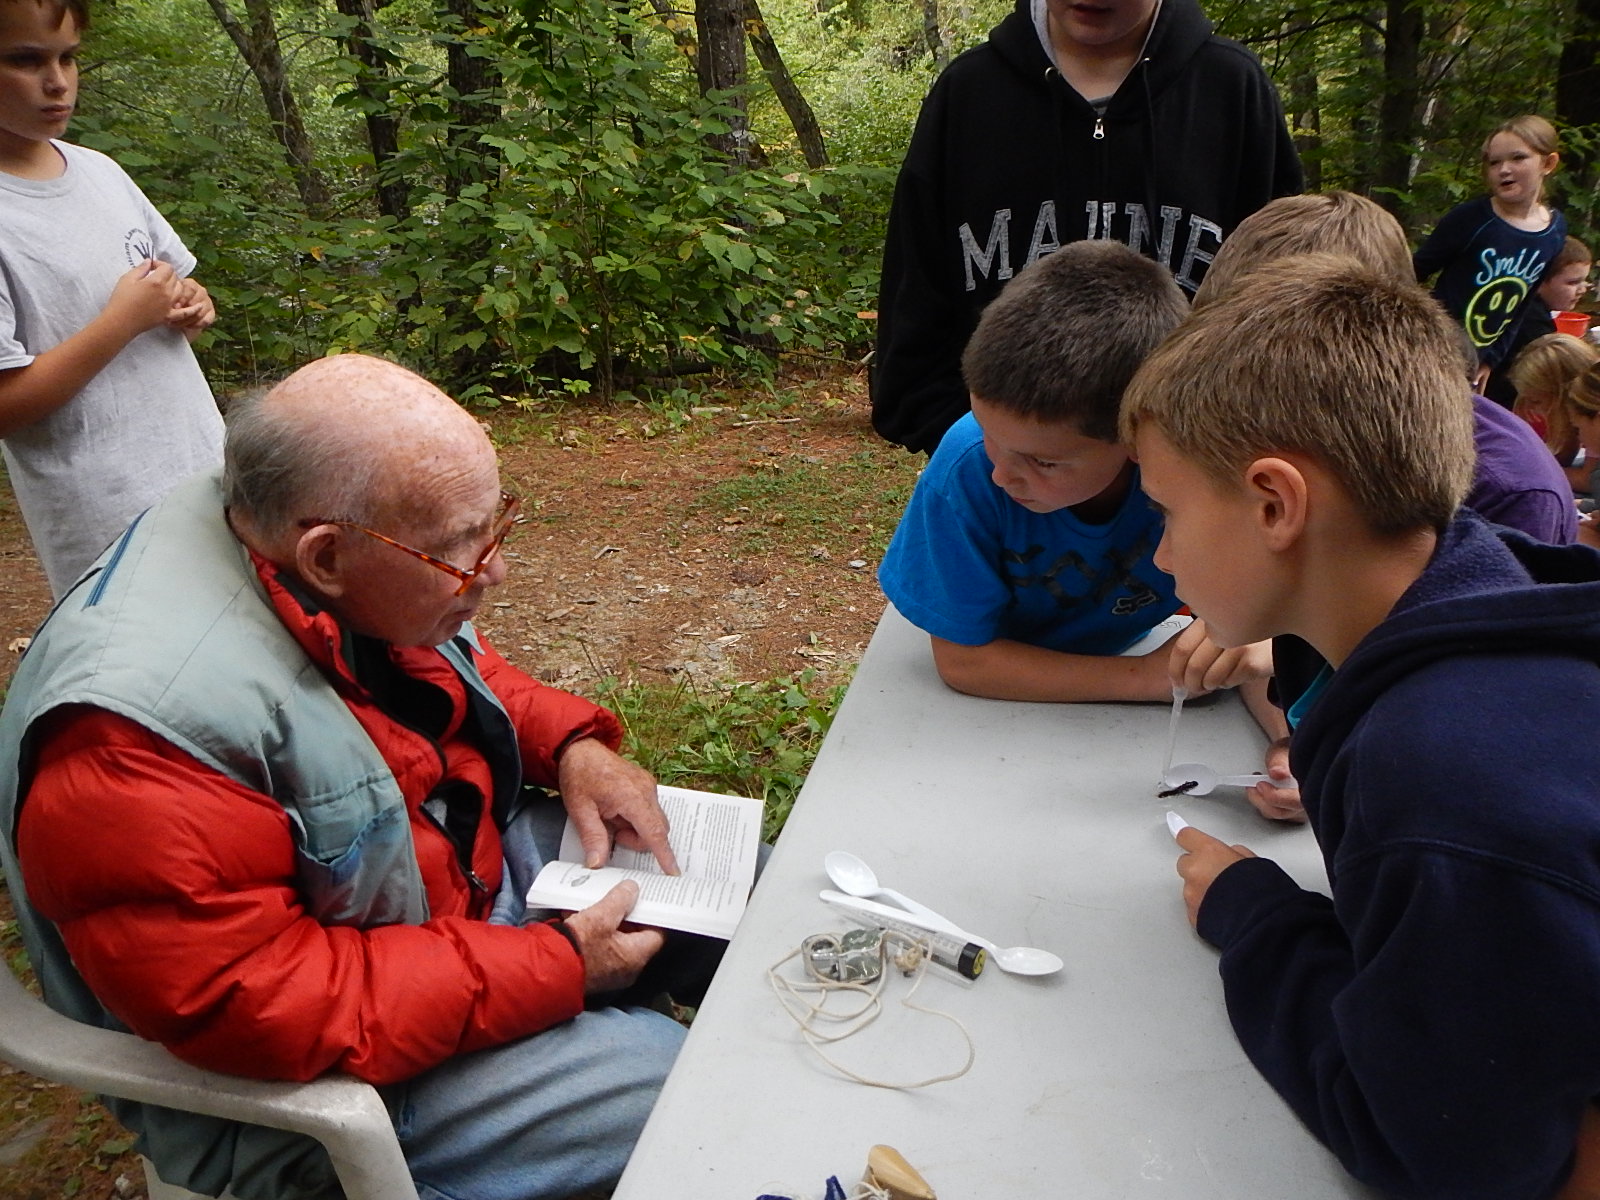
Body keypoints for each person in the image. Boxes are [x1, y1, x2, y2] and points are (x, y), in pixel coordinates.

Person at [0, 354, 713, 1200]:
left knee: (741, 888)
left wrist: (573, 749)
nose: (493, 573)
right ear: (326, 555)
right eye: (460, 552)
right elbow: (253, 1004)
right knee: (683, 1100)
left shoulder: (306, 549)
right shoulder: (135, 738)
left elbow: (450, 665)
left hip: (435, 899)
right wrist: (558, 967)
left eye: (497, 529)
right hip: (306, 1087)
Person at [1122, 253, 1600, 1199]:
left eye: (1169, 512)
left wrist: (1259, 920)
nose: (1161, 550)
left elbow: (1446, 1161)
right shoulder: (1472, 590)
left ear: (1274, 504)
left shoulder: (1446, 781)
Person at [869, 0, 1303, 455]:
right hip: (1000, 476)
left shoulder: (1231, 89)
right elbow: (915, 302)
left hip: (1192, 479)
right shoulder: (969, 93)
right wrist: (991, 451)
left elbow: (1276, 313)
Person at [877, 239, 1271, 713]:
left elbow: (1258, 638)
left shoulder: (1200, 478)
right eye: (989, 433)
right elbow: (965, 661)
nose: (1002, 474)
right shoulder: (968, 468)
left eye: (1043, 462)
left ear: (1137, 439)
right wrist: (1143, 678)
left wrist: (1290, 745)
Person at [1198, 190, 1579, 547]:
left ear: (1387, 332)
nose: (1258, 389)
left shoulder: (1508, 490)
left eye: (1275, 366)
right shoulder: (1289, 433)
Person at [0, 0, 223, 598]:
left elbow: (171, 289)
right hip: (104, 515)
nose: (57, 81)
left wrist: (190, 305)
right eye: (24, 59)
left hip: (207, 472)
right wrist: (121, 323)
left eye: (69, 56)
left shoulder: (100, 172)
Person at [1413, 114, 1568, 392]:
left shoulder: (1554, 230)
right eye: (1494, 162)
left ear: (1548, 163)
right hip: (1433, 348)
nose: (1503, 170)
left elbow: (1523, 301)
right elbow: (1412, 271)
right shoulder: (1471, 219)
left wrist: (1491, 360)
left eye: (1518, 158)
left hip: (1479, 360)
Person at [1484, 233, 1592, 408]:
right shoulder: (1533, 321)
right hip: (1507, 406)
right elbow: (1561, 373)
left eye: (1584, 281)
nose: (1582, 289)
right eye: (1572, 283)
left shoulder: (1516, 302)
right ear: (1539, 282)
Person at [1508, 330, 1599, 467]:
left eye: (1536, 401)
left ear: (1564, 397)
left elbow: (1589, 478)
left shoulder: (1592, 421)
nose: (1529, 408)